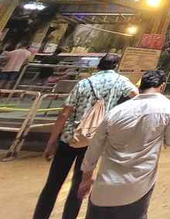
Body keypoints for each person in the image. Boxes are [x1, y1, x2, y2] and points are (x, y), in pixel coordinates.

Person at [34, 53, 138, 219]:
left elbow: (64, 113)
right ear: (116, 66)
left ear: (98, 66)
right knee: (79, 184)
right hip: (94, 140)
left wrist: (52, 140)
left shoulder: (84, 83)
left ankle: (40, 216)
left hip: (69, 137)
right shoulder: (120, 82)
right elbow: (137, 97)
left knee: (53, 184)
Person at [77, 70, 170, 218]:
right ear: (162, 86)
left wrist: (86, 179)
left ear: (140, 86)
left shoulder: (116, 111)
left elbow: (94, 147)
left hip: (105, 186)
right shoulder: (169, 107)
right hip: (139, 185)